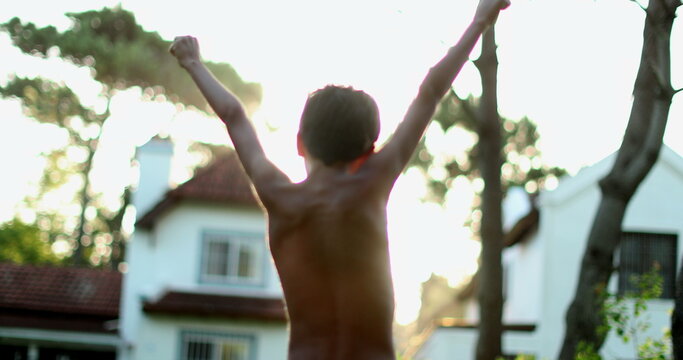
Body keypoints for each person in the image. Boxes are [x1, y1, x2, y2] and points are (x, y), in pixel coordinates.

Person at [170, 0, 508, 358]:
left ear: (299, 143)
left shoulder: (280, 196)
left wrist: (193, 63)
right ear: (369, 148)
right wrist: (479, 21)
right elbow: (430, 92)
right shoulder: (373, 181)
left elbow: (235, 115)